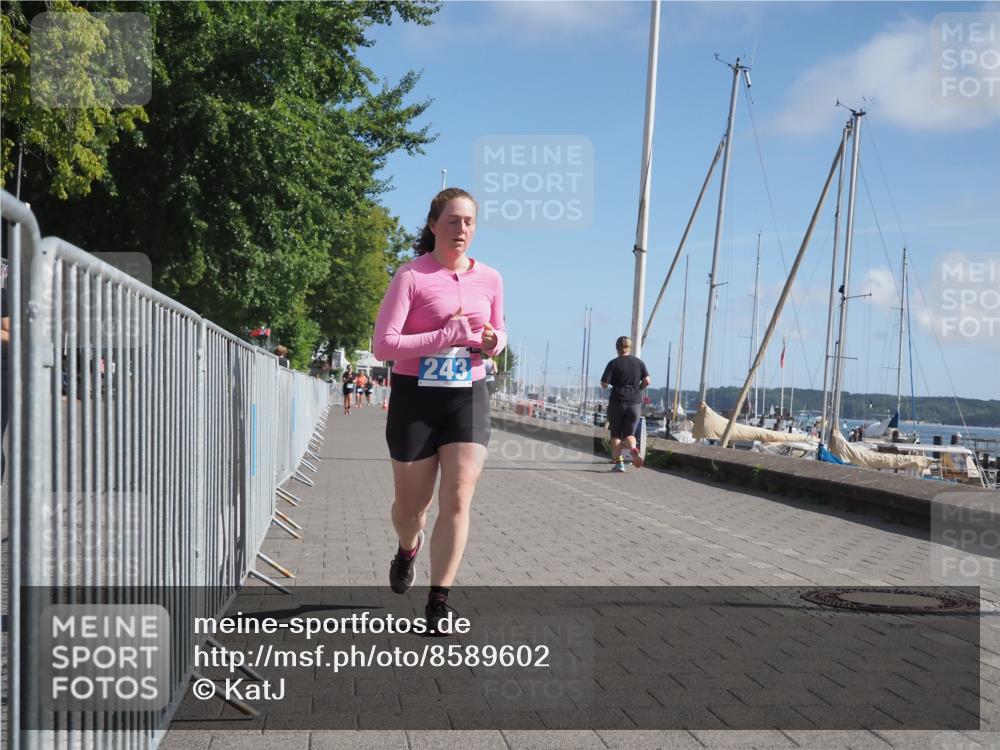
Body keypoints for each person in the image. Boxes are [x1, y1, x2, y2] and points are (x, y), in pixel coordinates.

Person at [373, 187, 506, 634]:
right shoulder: (411, 276)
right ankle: (408, 546)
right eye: (453, 221)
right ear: (433, 225)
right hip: (416, 394)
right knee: (412, 507)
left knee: (458, 496)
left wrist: (492, 343)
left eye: (469, 221)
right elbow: (383, 346)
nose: (461, 229)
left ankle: (438, 600)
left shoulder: (490, 278)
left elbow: (500, 332)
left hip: (468, 391)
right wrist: (441, 336)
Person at [600, 336, 650, 473]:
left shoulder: (613, 363)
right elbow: (647, 381)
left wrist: (610, 383)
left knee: (615, 434)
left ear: (617, 348)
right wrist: (637, 389)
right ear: (630, 347)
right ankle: (633, 449)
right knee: (629, 434)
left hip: (617, 400)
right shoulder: (639, 363)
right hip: (634, 401)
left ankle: (619, 463)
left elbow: (604, 384)